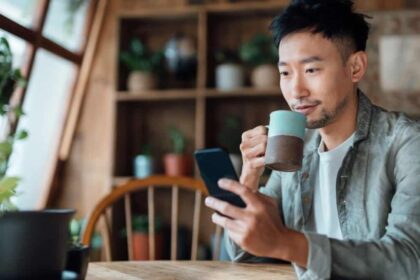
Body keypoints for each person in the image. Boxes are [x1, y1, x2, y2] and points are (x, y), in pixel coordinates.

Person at [204, 0, 420, 279]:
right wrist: (250, 177)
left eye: (311, 70)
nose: (296, 90)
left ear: (355, 67)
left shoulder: (406, 144)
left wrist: (287, 243)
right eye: (285, 73)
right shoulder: (297, 147)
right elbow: (247, 254)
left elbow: (409, 259)